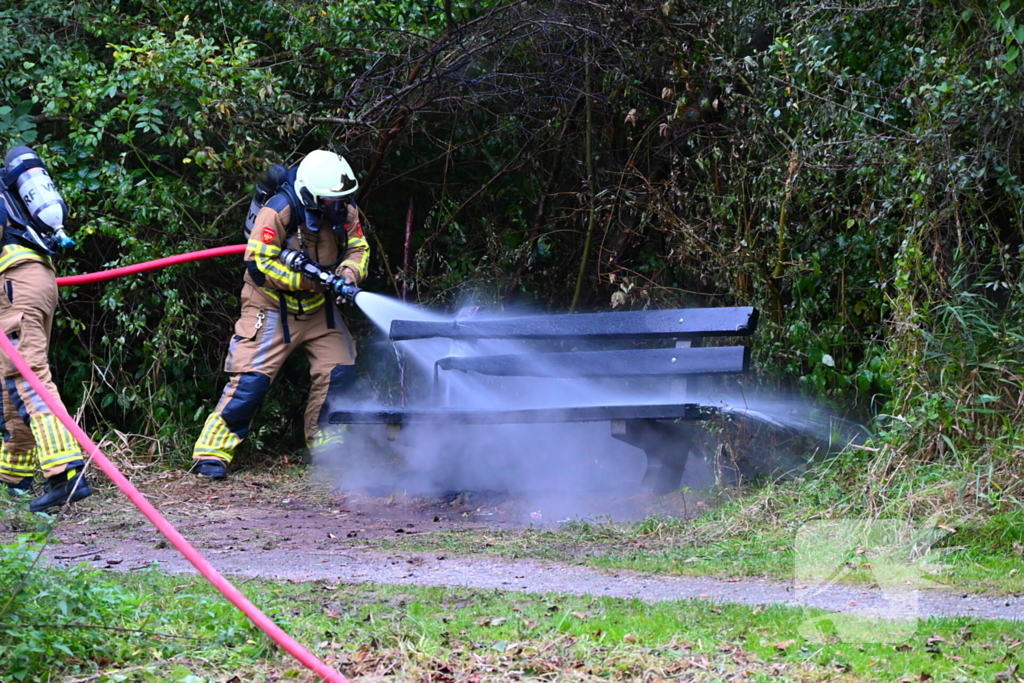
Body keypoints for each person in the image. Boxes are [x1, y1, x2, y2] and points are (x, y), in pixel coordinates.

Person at [191, 150, 369, 479]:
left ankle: (329, 448)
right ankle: (211, 454)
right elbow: (258, 265)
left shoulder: (345, 209)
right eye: (331, 200)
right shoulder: (279, 211)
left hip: (320, 310)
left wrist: (347, 274)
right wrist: (306, 280)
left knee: (339, 373)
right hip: (271, 307)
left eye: (343, 199)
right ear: (311, 194)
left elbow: (359, 247)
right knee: (250, 382)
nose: (339, 207)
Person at [0, 151, 91, 513]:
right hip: (34, 280)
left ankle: (66, 475)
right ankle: (13, 479)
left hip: (16, 284)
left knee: (27, 376)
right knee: (11, 381)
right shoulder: (13, 194)